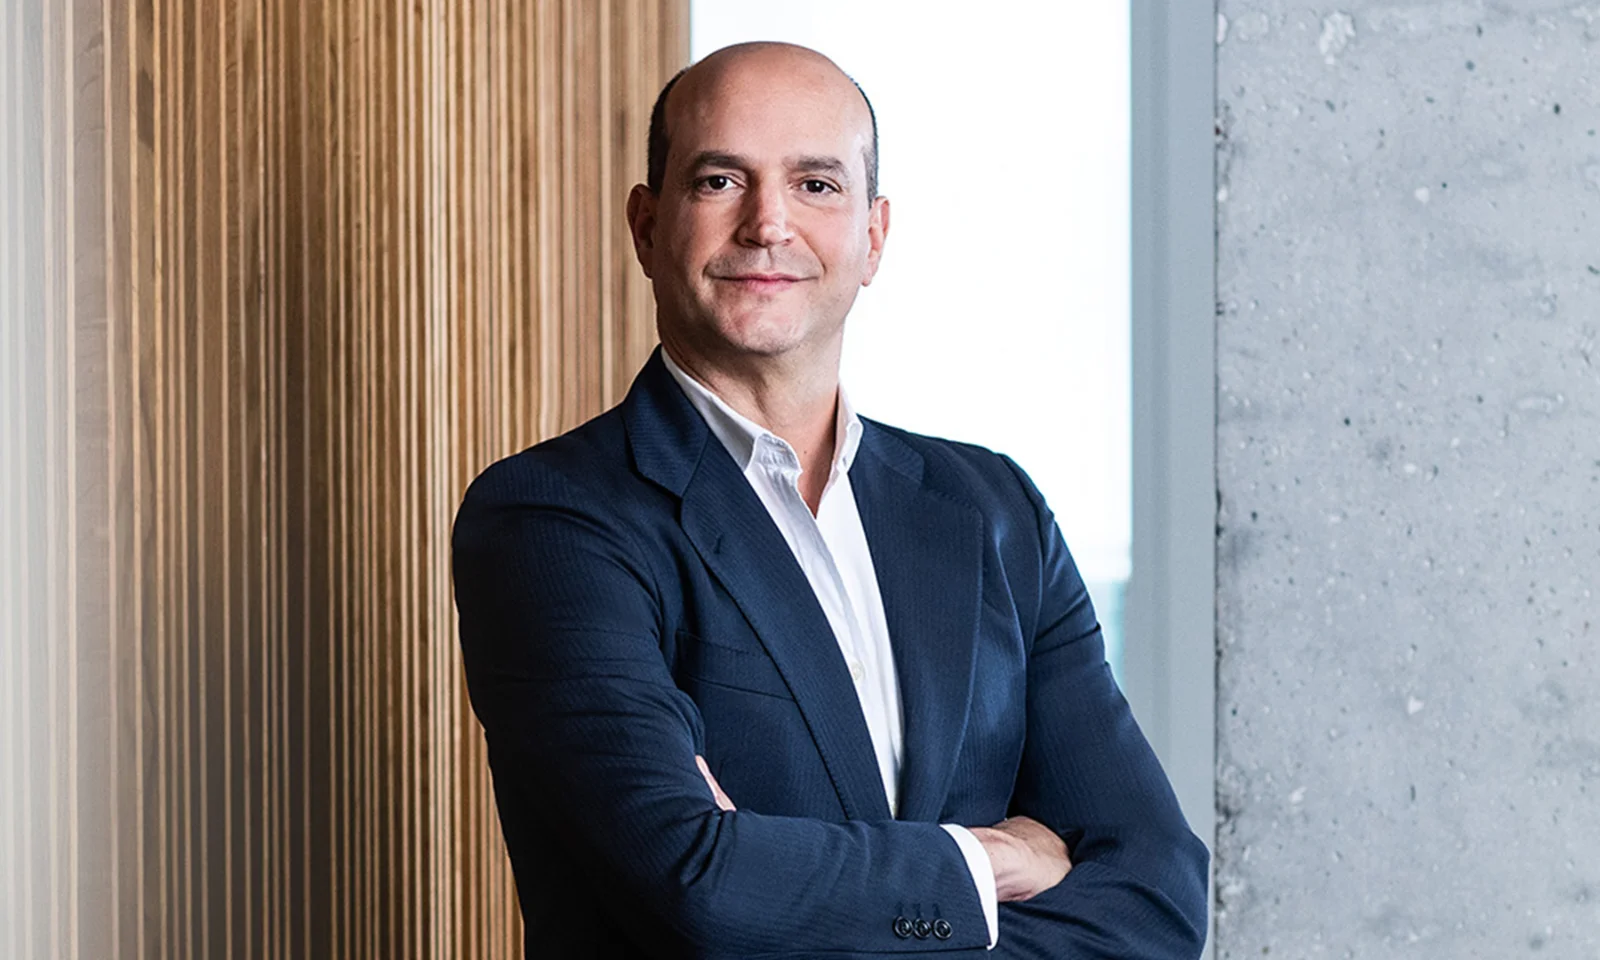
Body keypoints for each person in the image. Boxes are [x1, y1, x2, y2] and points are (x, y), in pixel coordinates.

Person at [453, 41, 1208, 958]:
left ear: (874, 237)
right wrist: (984, 861)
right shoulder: (552, 522)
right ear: (648, 228)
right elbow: (701, 891)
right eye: (721, 179)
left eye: (816, 185)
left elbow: (1158, 900)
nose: (768, 224)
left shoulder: (995, 513)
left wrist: (794, 886)